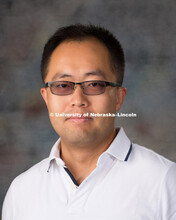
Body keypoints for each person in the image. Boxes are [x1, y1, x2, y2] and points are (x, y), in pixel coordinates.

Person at [2, 24, 176, 220]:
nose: (78, 99)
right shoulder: (21, 193)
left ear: (118, 97)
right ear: (46, 98)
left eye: (94, 84)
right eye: (62, 85)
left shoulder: (165, 182)